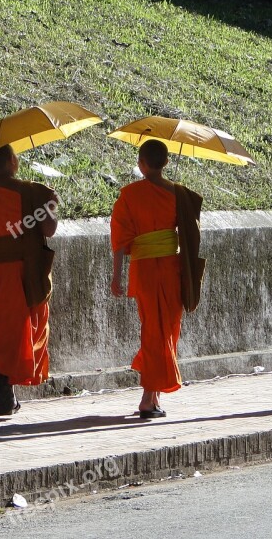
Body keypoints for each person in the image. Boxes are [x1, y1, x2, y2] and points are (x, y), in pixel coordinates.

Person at [110, 139, 204, 419]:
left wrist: (117, 275)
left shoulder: (129, 195)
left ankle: (152, 395)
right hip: (171, 269)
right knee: (166, 329)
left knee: (154, 329)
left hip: (143, 270)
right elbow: (191, 233)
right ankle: (148, 397)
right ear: (165, 163)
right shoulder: (178, 194)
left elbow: (118, 239)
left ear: (141, 164)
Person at [0, 144, 59, 415]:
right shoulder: (33, 192)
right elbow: (49, 230)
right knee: (21, 331)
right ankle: (6, 386)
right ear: (12, 161)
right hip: (24, 273)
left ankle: (3, 387)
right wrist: (51, 205)